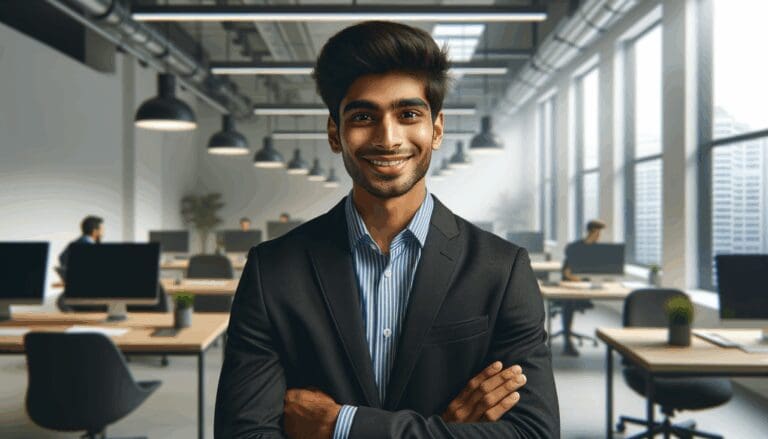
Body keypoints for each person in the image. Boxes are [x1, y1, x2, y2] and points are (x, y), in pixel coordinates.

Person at [215, 21, 559, 439]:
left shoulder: (502, 270)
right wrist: (444, 429)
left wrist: (342, 425)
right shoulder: (273, 272)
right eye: (363, 116)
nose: (388, 137)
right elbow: (243, 433)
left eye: (408, 114)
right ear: (334, 133)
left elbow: (534, 433)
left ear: (436, 129)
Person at [557, 219, 605, 356]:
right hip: (570, 287)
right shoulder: (575, 247)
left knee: (571, 302)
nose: (599, 236)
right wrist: (580, 281)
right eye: (598, 232)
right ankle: (567, 343)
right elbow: (566, 273)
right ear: (592, 231)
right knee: (569, 302)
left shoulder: (596, 249)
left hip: (587, 288)